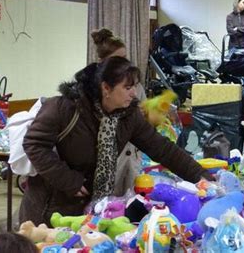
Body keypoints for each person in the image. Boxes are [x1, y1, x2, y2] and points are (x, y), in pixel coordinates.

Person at [19, 56, 211, 226]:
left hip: (90, 211)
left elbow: (163, 149)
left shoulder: (127, 116)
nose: (134, 93)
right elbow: (34, 144)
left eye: (134, 87)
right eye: (127, 88)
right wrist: (69, 181)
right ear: (106, 88)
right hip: (49, 211)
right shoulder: (64, 108)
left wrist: (203, 178)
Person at [90, 28, 144, 196]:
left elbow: (160, 145)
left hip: (132, 154)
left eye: (125, 58)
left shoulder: (135, 89)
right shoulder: (87, 96)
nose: (123, 64)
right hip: (113, 158)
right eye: (117, 59)